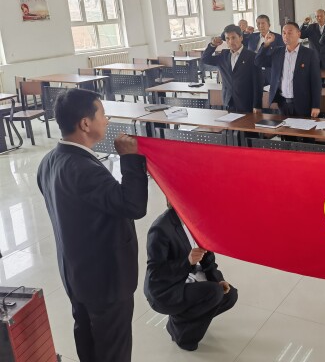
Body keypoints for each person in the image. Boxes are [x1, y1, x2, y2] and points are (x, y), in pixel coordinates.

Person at [37, 89, 148, 362]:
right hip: (106, 283)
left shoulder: (49, 162)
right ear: (85, 124)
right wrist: (130, 158)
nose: (107, 120)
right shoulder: (84, 169)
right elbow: (133, 206)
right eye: (103, 114)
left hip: (77, 275)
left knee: (88, 343)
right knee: (113, 352)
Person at [144, 205, 238, 352]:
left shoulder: (197, 218)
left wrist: (218, 279)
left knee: (230, 295)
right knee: (214, 293)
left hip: (189, 275)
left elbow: (208, 258)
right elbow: (156, 274)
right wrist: (186, 262)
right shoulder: (160, 229)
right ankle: (183, 335)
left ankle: (182, 319)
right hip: (165, 289)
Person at [255, 21, 322, 118]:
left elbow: (316, 82)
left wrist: (316, 105)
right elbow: (258, 62)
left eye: (290, 33)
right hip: (282, 103)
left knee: (301, 127)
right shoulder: (277, 52)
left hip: (303, 103)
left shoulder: (309, 54)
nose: (286, 36)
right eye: (284, 33)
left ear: (298, 34)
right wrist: (266, 44)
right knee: (284, 127)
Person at [201, 24, 263, 113]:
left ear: (241, 38)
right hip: (228, 101)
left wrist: (257, 105)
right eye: (227, 38)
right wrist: (213, 45)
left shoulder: (252, 56)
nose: (231, 41)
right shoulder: (223, 55)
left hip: (247, 102)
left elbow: (258, 83)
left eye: (233, 38)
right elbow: (205, 59)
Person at [245, 14, 283, 83]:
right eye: (258, 23)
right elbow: (236, 39)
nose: (261, 26)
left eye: (263, 23)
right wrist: (245, 31)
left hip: (270, 72)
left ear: (269, 25)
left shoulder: (278, 37)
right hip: (253, 70)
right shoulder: (251, 36)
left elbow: (281, 55)